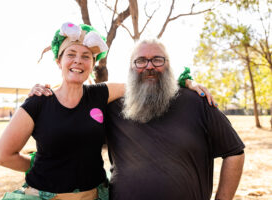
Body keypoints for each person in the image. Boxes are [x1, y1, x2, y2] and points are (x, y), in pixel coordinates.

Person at [0, 22, 125, 200]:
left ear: (93, 64)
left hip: (92, 195)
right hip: (47, 196)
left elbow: (136, 86)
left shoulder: (100, 94)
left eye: (86, 56)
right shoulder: (39, 101)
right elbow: (3, 156)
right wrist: (41, 165)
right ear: (59, 61)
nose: (78, 60)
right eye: (71, 54)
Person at [105, 39, 245, 200]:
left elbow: (235, 153)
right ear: (131, 67)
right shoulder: (113, 106)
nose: (149, 66)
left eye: (157, 59)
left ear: (169, 65)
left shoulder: (198, 101)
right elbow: (83, 97)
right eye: (141, 61)